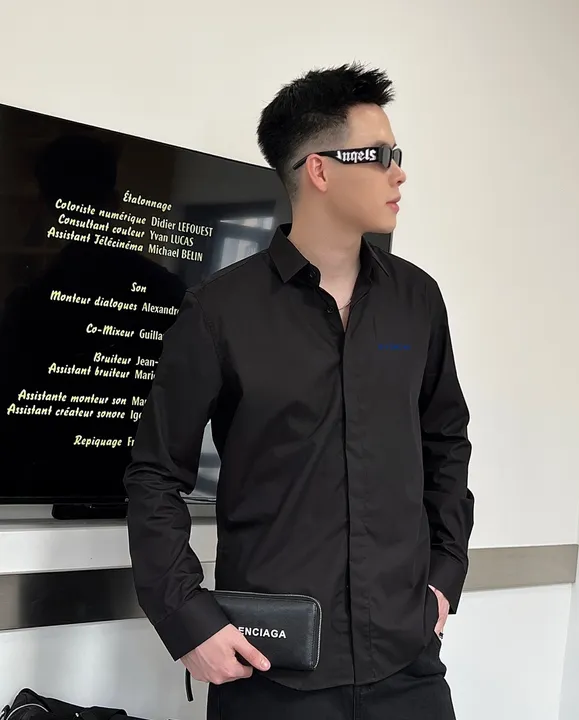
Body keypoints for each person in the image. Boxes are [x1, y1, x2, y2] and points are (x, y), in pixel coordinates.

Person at [124, 62, 474, 720]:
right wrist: (186, 617)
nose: (399, 173)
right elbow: (154, 473)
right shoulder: (220, 311)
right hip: (272, 672)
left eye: (398, 155)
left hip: (406, 664)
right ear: (319, 170)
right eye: (381, 155)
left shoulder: (417, 301)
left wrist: (445, 573)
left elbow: (446, 441)